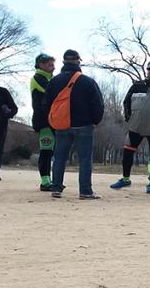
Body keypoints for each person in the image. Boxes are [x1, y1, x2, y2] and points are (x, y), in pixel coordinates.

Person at [41, 49, 105, 199]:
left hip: (61, 125)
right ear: (78, 62)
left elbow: (45, 105)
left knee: (59, 158)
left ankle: (56, 188)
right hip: (83, 125)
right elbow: (98, 104)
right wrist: (94, 121)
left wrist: (54, 120)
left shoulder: (54, 81)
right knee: (84, 159)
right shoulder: (87, 81)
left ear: (63, 62)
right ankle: (85, 191)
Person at [111, 60, 150, 194]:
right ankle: (125, 179)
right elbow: (126, 101)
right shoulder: (137, 85)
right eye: (148, 68)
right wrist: (129, 119)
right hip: (135, 126)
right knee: (128, 152)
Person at [30, 53, 56, 191]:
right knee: (45, 150)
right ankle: (45, 181)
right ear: (41, 65)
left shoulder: (50, 78)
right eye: (50, 65)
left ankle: (50, 179)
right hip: (44, 120)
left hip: (53, 120)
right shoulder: (38, 78)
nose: (54, 67)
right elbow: (53, 92)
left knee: (50, 151)